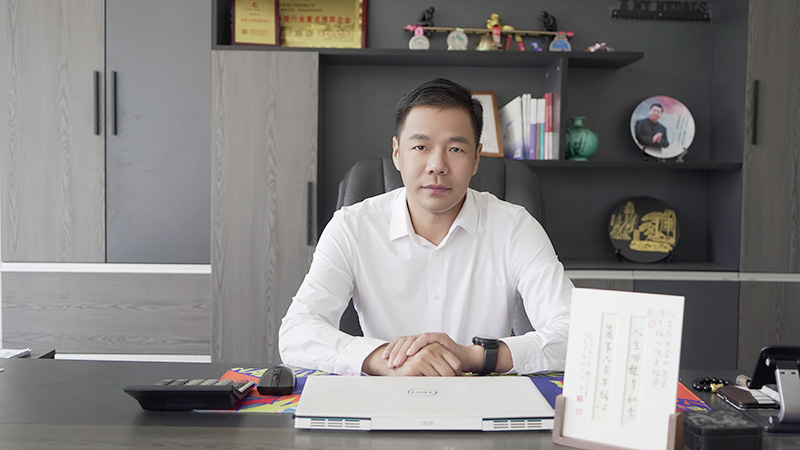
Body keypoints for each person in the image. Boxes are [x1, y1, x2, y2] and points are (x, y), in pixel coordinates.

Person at [279, 78, 573, 376]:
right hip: (385, 391)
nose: (437, 165)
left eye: (455, 149)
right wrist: (386, 360)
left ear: (476, 159)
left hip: (482, 393)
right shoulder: (351, 227)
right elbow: (297, 332)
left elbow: (576, 333)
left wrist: (474, 357)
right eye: (421, 146)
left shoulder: (515, 227)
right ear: (397, 153)